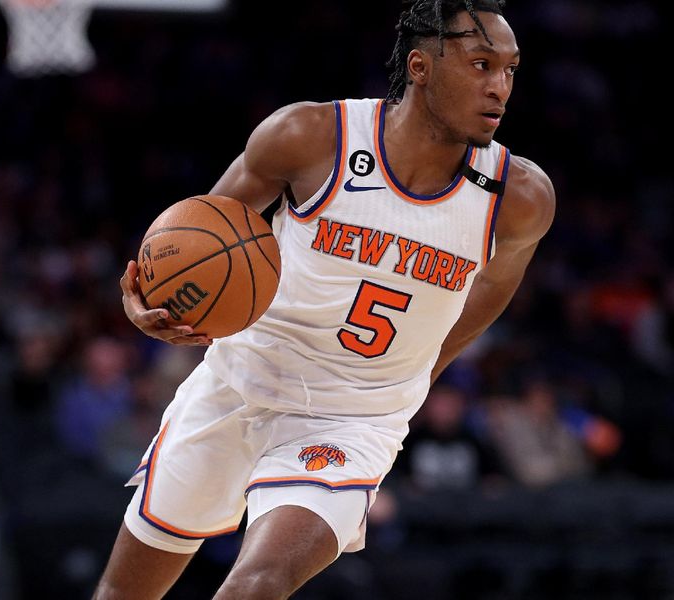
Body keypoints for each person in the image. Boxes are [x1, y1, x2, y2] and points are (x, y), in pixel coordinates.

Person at [94, 1, 555, 598]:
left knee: (259, 582)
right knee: (123, 592)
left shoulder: (518, 197)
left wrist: (421, 372)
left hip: (353, 419)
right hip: (238, 381)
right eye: (480, 64)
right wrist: (149, 301)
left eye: (510, 70)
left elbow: (491, 288)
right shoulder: (311, 137)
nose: (500, 87)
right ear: (420, 66)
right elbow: (192, 235)